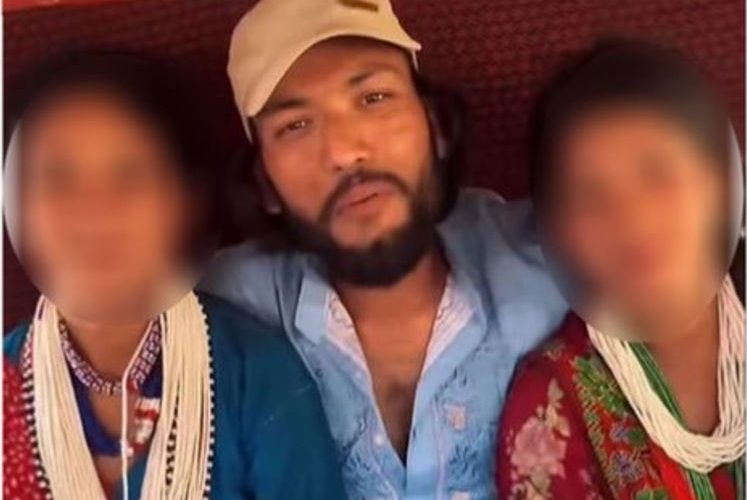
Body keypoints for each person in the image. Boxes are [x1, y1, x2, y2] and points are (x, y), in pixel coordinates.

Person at [200, 0, 567, 497]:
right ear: (265, 184)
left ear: (436, 127)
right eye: (295, 126)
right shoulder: (218, 313)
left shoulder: (553, 259)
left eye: (374, 97)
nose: (345, 151)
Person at [2, 52, 346, 499]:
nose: (93, 209)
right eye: (56, 175)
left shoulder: (256, 377)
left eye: (129, 174)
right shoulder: (8, 380)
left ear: (186, 203)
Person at [496, 40, 744, 500]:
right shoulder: (549, 407)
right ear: (555, 231)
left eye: (657, 171)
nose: (632, 218)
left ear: (718, 180)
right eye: (590, 194)